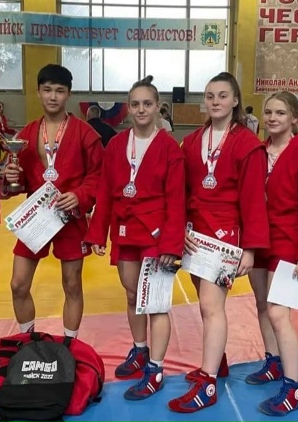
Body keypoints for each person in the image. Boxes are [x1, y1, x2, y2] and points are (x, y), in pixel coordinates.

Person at [168, 72, 269, 413]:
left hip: (226, 234)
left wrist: (250, 248)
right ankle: (218, 361)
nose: (215, 101)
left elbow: (253, 199)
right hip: (196, 233)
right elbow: (181, 189)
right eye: (210, 95)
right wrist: (179, 227)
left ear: (235, 100)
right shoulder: (192, 140)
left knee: (212, 307)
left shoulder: (248, 144)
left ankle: (208, 383)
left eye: (223, 95)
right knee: (205, 302)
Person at [85, 75, 185, 400]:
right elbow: (104, 191)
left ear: (158, 108)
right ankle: (140, 349)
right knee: (132, 296)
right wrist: (97, 232)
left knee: (155, 303)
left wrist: (171, 245)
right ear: (128, 108)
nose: (141, 109)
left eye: (147, 104)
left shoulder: (169, 148)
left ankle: (156, 369)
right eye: (135, 104)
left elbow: (177, 199)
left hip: (156, 234)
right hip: (125, 228)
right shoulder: (116, 145)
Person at [3, 64, 103, 338]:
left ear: (68, 94)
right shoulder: (26, 134)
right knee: (18, 284)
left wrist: (80, 195)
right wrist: (11, 176)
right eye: (47, 90)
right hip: (36, 216)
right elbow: (19, 180)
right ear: (38, 92)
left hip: (69, 216)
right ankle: (27, 340)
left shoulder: (85, 134)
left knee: (72, 284)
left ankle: (70, 344)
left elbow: (99, 176)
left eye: (59, 91)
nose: (53, 96)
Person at [246, 91, 298, 416]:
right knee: (262, 305)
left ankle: (293, 389)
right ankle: (273, 362)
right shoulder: (258, 152)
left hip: (290, 242)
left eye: (280, 112)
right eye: (268, 112)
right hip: (260, 239)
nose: (272, 118)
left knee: (279, 313)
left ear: (294, 118)